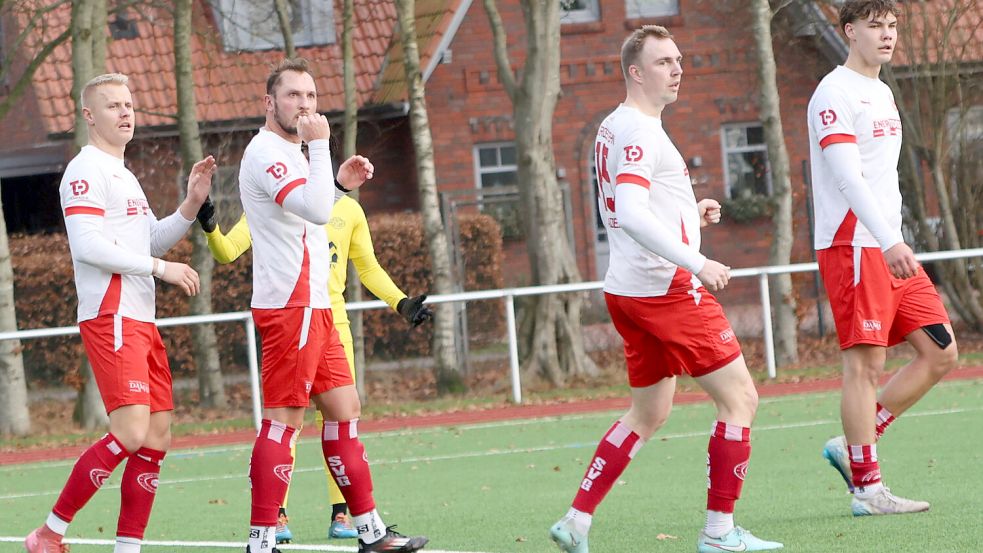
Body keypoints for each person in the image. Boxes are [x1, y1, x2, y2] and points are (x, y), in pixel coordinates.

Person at [548, 26, 783, 553]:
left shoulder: (618, 125)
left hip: (627, 289)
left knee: (649, 412)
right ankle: (720, 533)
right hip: (665, 291)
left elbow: (634, 205)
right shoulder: (638, 131)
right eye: (663, 62)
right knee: (742, 399)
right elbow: (629, 212)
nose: (676, 69)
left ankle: (576, 520)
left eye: (678, 59)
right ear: (636, 71)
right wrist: (697, 260)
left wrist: (688, 217)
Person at [235, 57, 428, 553]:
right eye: (294, 95)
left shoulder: (295, 155)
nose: (304, 105)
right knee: (284, 420)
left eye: (311, 97)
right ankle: (262, 541)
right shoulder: (268, 152)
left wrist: (338, 182)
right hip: (291, 305)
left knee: (345, 410)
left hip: (317, 306)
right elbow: (318, 211)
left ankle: (370, 532)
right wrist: (321, 146)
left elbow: (311, 211)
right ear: (269, 103)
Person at [25, 73, 215, 553]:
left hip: (139, 318)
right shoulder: (84, 170)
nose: (125, 112)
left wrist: (190, 205)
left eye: (129, 104)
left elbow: (148, 239)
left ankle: (127, 547)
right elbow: (88, 246)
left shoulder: (125, 175)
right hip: (111, 316)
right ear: (90, 115)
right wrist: (160, 269)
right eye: (113, 106)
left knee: (156, 436)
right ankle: (49, 533)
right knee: (130, 431)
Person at [197, 187, 433, 544]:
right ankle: (273, 519)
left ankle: (349, 516)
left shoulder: (349, 210)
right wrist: (212, 226)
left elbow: (367, 266)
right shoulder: (274, 203)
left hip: (334, 324)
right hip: (297, 319)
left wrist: (400, 303)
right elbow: (228, 251)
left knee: (341, 414)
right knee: (287, 420)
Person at [807, 0, 958, 516]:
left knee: (941, 351)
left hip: (889, 242)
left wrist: (895, 236)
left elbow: (884, 177)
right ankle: (867, 490)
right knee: (866, 365)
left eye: (892, 26)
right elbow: (849, 177)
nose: (887, 35)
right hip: (855, 243)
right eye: (876, 27)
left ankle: (852, 445)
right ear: (850, 31)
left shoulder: (883, 91)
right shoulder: (834, 92)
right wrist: (888, 238)